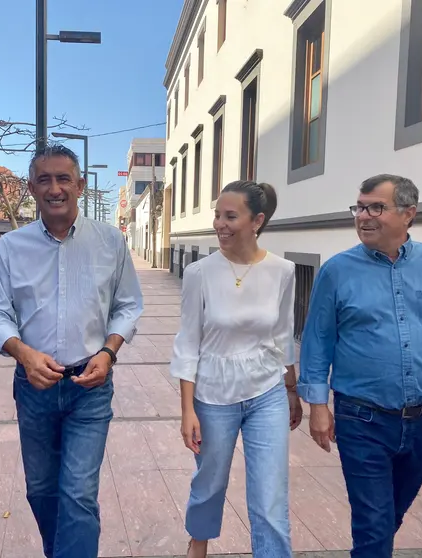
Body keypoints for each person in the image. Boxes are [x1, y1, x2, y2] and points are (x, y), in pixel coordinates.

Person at [298, 174, 422, 557]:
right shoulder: (337, 271)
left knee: (389, 519)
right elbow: (318, 340)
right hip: (363, 419)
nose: (363, 216)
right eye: (359, 207)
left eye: (376, 207)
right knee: (373, 528)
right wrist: (318, 406)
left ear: (409, 214)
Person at [0, 144, 143, 558]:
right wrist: (23, 353)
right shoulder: (12, 248)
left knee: (79, 494)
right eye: (45, 180)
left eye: (64, 178)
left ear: (81, 185)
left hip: (90, 387)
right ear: (31, 188)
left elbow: (127, 305)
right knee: (42, 491)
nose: (56, 188)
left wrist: (108, 353)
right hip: (33, 388)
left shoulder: (110, 242)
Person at [171, 180, 303, 558]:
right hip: (213, 394)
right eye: (217, 215)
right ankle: (198, 546)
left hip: (267, 393)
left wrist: (291, 391)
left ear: (257, 220)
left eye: (230, 216)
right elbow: (187, 343)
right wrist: (187, 409)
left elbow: (282, 334)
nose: (219, 224)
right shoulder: (199, 273)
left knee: (271, 495)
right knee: (209, 484)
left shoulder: (283, 270)